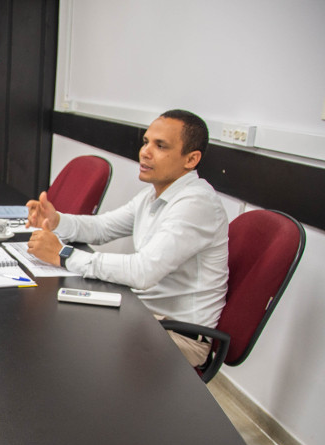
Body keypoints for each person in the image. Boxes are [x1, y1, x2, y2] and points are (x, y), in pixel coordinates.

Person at [26, 109, 228, 367]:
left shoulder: (196, 203)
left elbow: (143, 272)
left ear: (191, 159)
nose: (145, 151)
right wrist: (56, 221)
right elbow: (102, 227)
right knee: (53, 319)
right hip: (143, 315)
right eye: (146, 142)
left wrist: (63, 255)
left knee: (65, 338)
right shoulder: (153, 196)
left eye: (160, 145)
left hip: (177, 336)